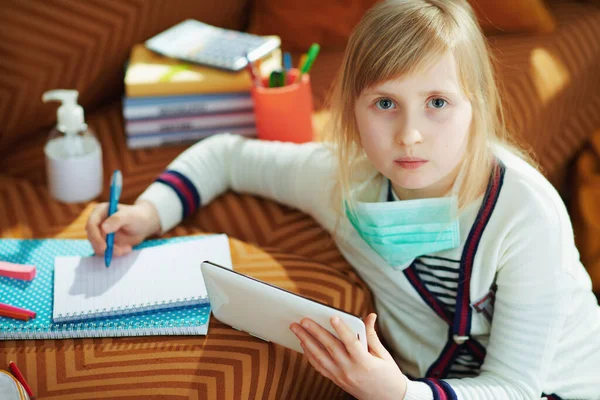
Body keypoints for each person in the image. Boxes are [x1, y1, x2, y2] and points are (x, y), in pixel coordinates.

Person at [86, 0, 600, 398]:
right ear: (352, 110)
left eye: (438, 103)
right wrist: (149, 211)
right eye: (384, 103)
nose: (410, 134)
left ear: (477, 107)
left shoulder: (526, 215)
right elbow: (226, 156)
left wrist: (397, 392)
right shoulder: (340, 184)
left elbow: (513, 387)